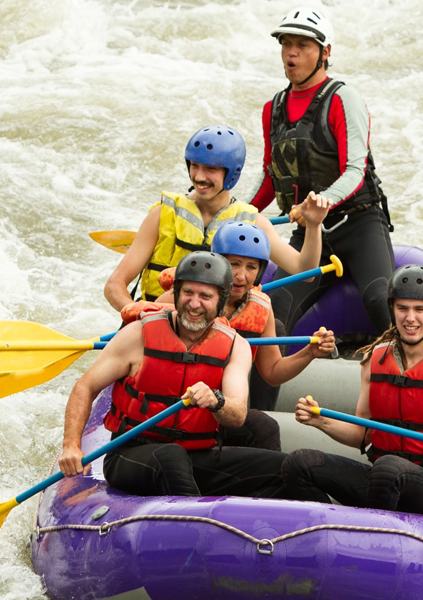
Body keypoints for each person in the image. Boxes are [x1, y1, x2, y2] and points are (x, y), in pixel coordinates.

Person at [280, 266, 423, 515]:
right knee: (299, 463)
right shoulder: (374, 360)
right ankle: (329, 531)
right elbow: (363, 434)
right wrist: (321, 422)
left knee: (389, 469)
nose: (410, 318)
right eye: (402, 308)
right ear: (392, 310)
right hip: (384, 481)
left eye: (420, 309)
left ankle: (375, 537)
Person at [60, 252, 287, 498]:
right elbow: (85, 386)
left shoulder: (235, 345)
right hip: (130, 453)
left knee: (283, 463)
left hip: (195, 453)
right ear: (176, 294)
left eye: (205, 296)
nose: (194, 303)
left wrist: (215, 400)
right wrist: (71, 445)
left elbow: (237, 416)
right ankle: (195, 525)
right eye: (188, 293)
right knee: (171, 455)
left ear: (220, 302)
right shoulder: (138, 335)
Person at [234, 7, 396, 341]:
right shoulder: (272, 109)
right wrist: (236, 211)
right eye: (286, 44)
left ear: (325, 52)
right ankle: (255, 390)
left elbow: (355, 169)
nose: (291, 53)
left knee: (381, 300)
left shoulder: (343, 98)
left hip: (360, 225)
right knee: (273, 312)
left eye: (302, 45)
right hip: (310, 236)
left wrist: (323, 201)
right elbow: (269, 175)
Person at [104, 125, 328, 308]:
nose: (199, 176)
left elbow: (304, 272)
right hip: (155, 318)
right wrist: (135, 310)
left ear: (232, 174)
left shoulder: (251, 222)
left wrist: (314, 225)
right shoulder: (162, 215)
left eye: (210, 169)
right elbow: (114, 284)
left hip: (210, 328)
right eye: (194, 166)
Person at [139, 221, 338, 423]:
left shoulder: (261, 309)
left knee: (264, 426)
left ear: (260, 272)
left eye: (251, 267)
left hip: (221, 405)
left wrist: (309, 353)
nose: (241, 276)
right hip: (174, 400)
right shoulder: (185, 298)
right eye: (234, 264)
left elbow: (272, 372)